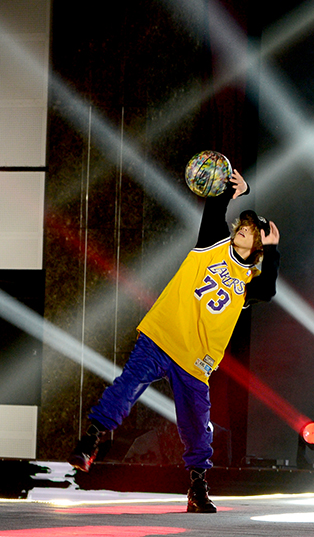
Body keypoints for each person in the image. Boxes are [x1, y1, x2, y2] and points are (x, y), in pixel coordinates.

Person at [68, 168, 280, 513]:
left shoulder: (248, 281)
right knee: (127, 385)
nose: (244, 228)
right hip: (162, 336)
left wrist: (273, 251)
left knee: (196, 425)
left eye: (252, 230)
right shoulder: (213, 243)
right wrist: (237, 191)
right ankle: (90, 440)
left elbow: (268, 290)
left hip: (195, 358)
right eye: (243, 224)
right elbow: (215, 208)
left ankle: (197, 486)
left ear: (257, 244)